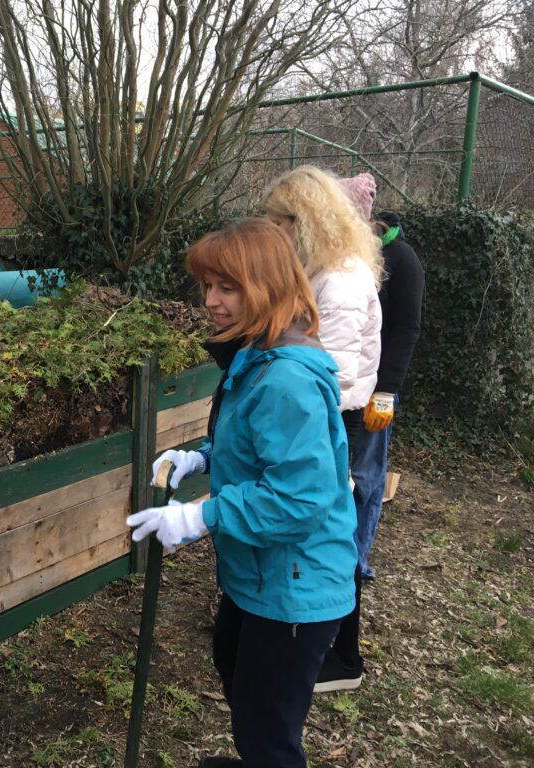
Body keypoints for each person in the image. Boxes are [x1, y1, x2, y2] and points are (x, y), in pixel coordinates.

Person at [128, 218, 357, 768]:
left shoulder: (285, 379)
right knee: (234, 670)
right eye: (207, 285)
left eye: (226, 287)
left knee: (267, 726)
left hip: (295, 585)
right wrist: (200, 458)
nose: (210, 300)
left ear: (267, 285)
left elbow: (299, 499)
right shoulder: (257, 356)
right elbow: (258, 444)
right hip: (262, 575)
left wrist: (201, 516)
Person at [263, 165, 384, 693]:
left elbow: (325, 375)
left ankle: (342, 656)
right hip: (327, 414)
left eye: (279, 222)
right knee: (325, 530)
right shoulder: (322, 271)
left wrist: (290, 428)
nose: (272, 233)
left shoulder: (338, 282)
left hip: (336, 419)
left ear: (305, 221)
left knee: (329, 535)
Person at [337, 172, 424, 579]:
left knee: (366, 478)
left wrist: (387, 390)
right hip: (343, 387)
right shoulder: (338, 257)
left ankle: (357, 561)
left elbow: (406, 328)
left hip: (374, 388)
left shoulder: (401, 259)